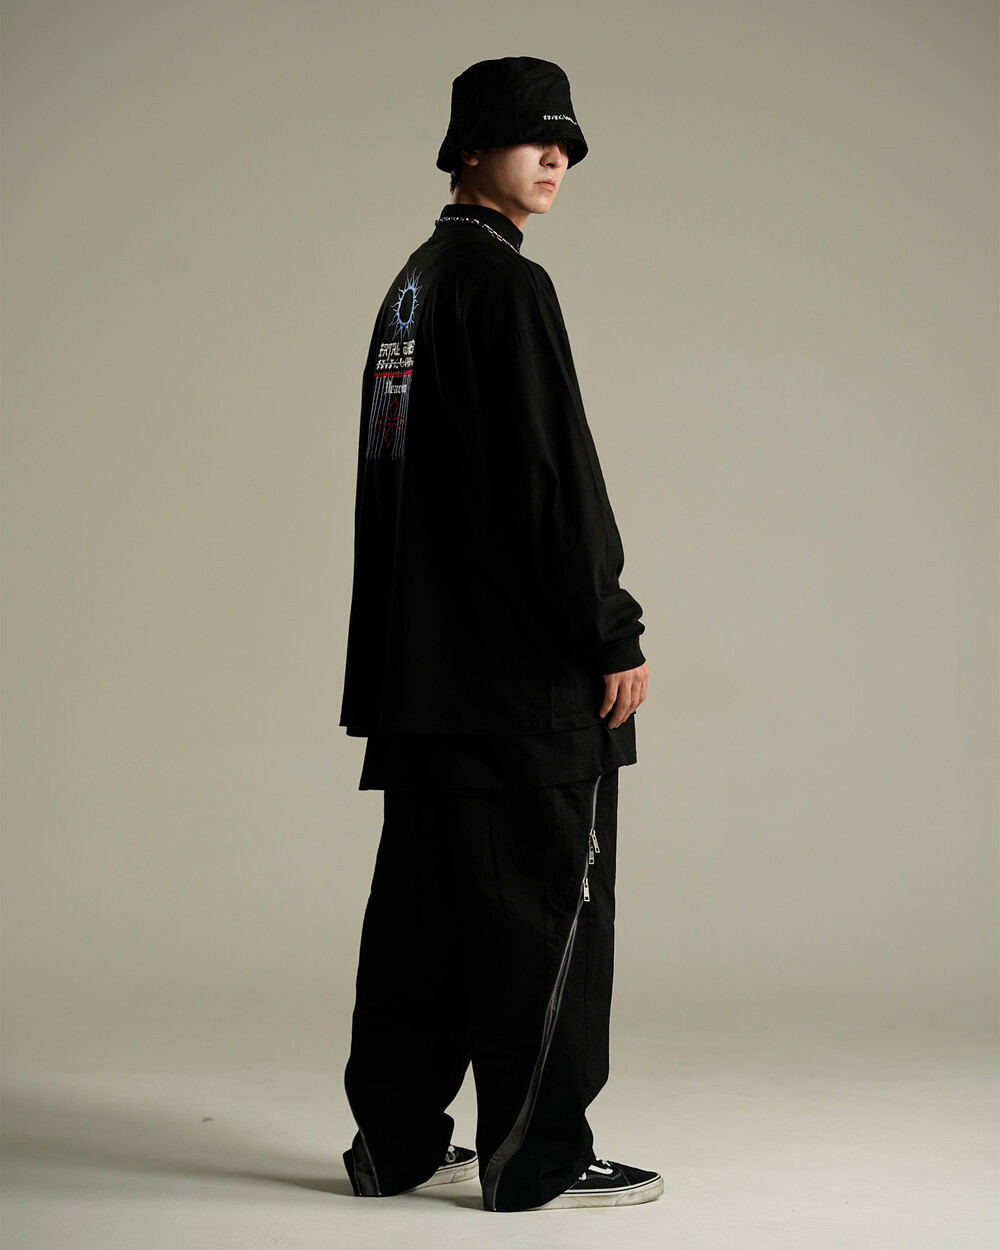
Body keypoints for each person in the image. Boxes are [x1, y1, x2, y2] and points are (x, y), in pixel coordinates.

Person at [338, 55, 661, 1213]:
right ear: (468, 146)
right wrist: (609, 626)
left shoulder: (413, 287)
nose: (556, 156)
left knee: (423, 920)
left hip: (423, 680)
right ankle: (538, 1157)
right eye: (534, 137)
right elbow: (548, 474)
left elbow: (403, 491)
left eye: (567, 142)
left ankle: (394, 1144)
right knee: (544, 912)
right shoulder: (505, 286)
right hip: (517, 682)